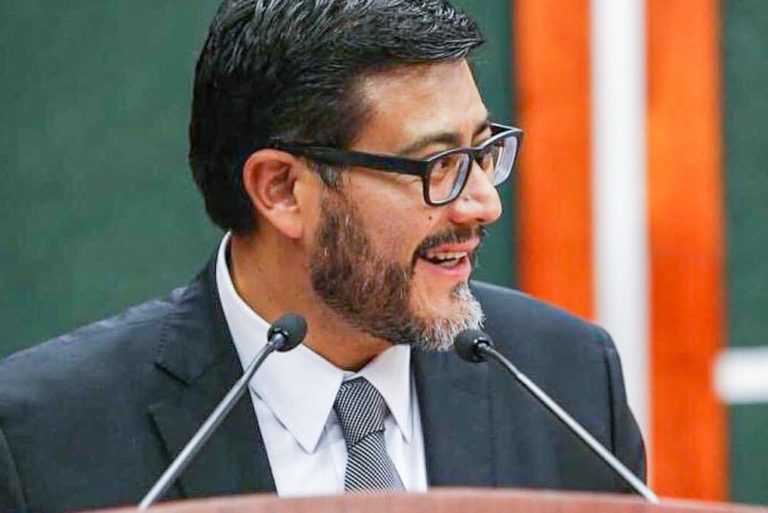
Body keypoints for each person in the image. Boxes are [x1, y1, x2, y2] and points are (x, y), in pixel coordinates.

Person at [0, 1, 646, 512]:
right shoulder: (43, 434)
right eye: (439, 164)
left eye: (483, 152)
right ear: (282, 190)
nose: (483, 203)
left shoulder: (567, 378)